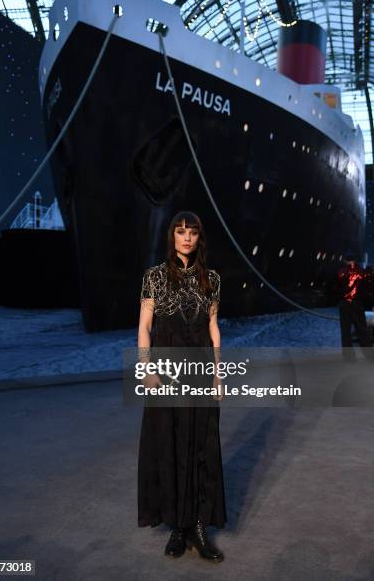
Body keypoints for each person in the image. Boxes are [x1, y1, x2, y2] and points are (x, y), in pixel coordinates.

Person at [137, 211, 226, 563]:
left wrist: (219, 375)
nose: (186, 237)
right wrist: (145, 370)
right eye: (180, 231)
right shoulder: (154, 277)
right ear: (172, 236)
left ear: (198, 238)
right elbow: (144, 327)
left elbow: (214, 328)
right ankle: (177, 526)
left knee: (203, 447)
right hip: (166, 371)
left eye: (192, 232)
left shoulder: (212, 279)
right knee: (169, 444)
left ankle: (200, 527)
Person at [336, 250, 374, 361]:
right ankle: (369, 357)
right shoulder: (362, 272)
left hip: (344, 304)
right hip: (358, 304)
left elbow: (335, 289)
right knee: (362, 331)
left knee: (346, 332)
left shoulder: (340, 273)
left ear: (344, 260)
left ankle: (349, 358)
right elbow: (367, 288)